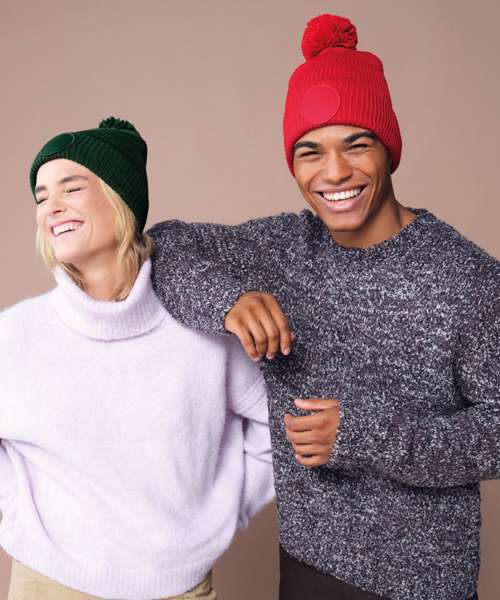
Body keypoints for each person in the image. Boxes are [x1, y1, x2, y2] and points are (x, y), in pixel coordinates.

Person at [146, 13, 498, 600]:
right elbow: (164, 246)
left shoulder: (467, 277)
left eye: (356, 145)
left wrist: (366, 436)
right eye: (310, 152)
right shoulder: (283, 249)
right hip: (307, 564)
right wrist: (228, 301)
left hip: (425, 582)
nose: (334, 172)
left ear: (388, 150)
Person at [0, 117, 274, 600]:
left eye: (71, 188)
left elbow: (277, 424)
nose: (51, 207)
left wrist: (224, 510)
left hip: (178, 590)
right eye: (41, 196)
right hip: (47, 584)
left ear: (120, 199)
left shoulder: (204, 330)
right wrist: (16, 511)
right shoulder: (16, 333)